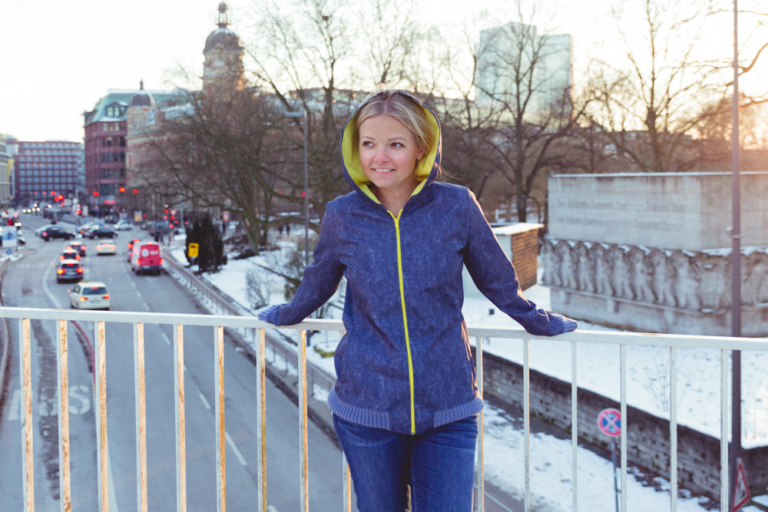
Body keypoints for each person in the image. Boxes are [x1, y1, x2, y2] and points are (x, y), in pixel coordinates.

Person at [258, 90, 578, 511]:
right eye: (369, 144)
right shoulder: (342, 214)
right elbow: (319, 282)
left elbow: (498, 280)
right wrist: (287, 312)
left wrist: (538, 320)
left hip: (448, 406)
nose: (380, 157)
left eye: (396, 144)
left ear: (420, 149)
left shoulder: (456, 205)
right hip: (367, 408)